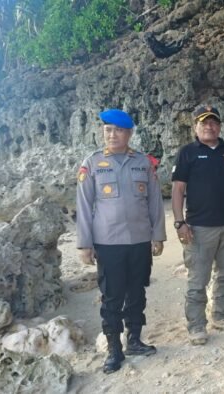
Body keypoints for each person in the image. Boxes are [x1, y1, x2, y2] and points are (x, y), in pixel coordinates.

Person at [76, 109, 166, 374]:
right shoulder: (92, 163)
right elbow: (83, 205)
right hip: (108, 242)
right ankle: (114, 349)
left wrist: (158, 236)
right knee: (112, 297)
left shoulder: (143, 162)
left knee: (137, 292)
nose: (112, 135)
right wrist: (84, 243)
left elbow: (154, 202)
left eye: (118, 130)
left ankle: (135, 340)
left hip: (139, 240)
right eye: (108, 130)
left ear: (129, 133)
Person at [172, 105, 224, 346]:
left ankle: (221, 316)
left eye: (213, 122)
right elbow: (178, 189)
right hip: (198, 228)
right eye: (203, 123)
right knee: (198, 279)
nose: (209, 126)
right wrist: (179, 222)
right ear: (195, 127)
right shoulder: (187, 153)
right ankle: (196, 326)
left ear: (220, 126)